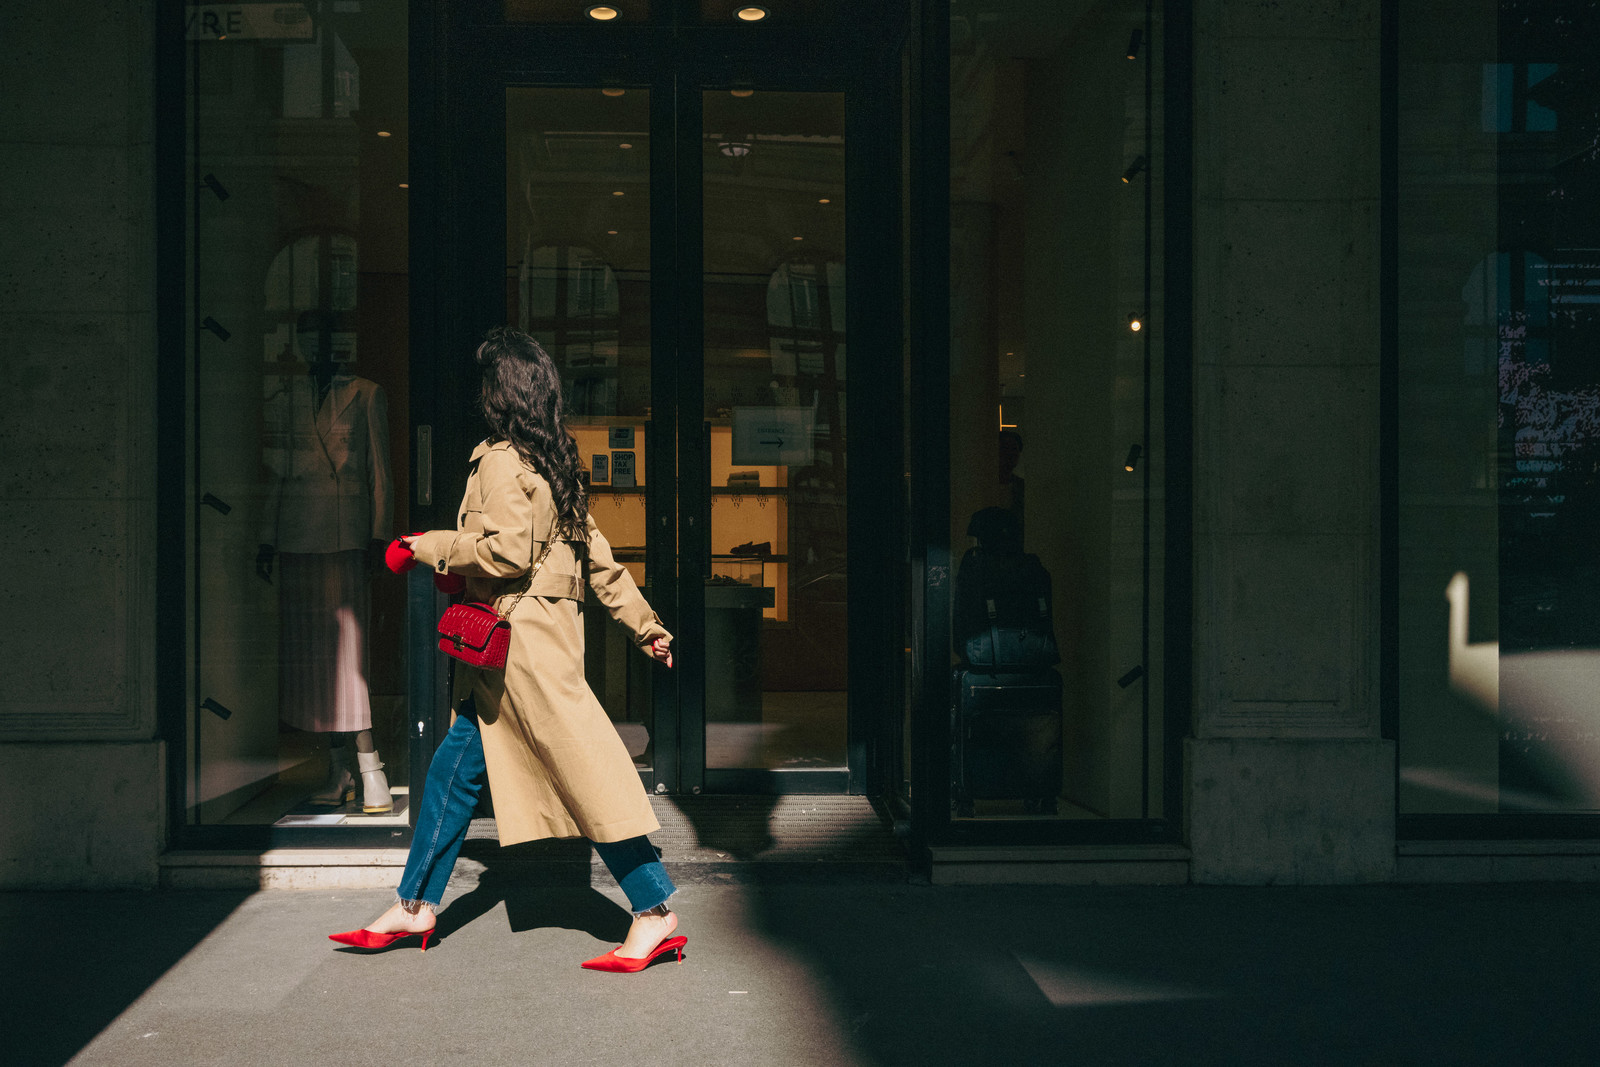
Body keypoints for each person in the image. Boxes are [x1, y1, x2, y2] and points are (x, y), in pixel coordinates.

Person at [329, 327, 684, 973]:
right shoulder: (553, 459)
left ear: (499, 394)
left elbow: (505, 551)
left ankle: (656, 911)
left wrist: (423, 545)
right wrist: (645, 625)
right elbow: (598, 559)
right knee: (451, 777)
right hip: (530, 645)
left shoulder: (499, 459)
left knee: (585, 776)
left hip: (518, 650)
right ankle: (414, 905)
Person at [258, 309, 394, 813]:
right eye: (307, 337)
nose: (316, 348)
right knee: (317, 665)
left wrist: (380, 538)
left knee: (349, 659)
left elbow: (381, 471)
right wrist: (266, 538)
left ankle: (370, 764)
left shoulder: (366, 394)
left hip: (343, 538)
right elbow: (275, 473)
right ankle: (338, 772)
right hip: (298, 535)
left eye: (325, 338)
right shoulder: (285, 399)